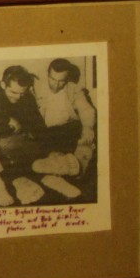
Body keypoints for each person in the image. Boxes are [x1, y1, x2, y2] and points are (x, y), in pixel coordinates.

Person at [0, 65, 47, 207]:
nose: (18, 97)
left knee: (37, 145)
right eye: (13, 92)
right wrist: (6, 119)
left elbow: (38, 126)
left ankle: (44, 168)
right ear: (3, 85)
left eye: (22, 93)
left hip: (13, 144)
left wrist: (48, 150)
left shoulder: (26, 96)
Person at [31, 58, 96, 187]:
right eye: (53, 79)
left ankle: (69, 168)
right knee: (42, 145)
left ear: (67, 79)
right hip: (45, 133)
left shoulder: (73, 88)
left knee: (86, 138)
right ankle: (64, 168)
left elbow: (86, 109)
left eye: (61, 81)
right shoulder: (36, 88)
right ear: (48, 74)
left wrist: (88, 127)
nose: (56, 85)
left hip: (68, 130)